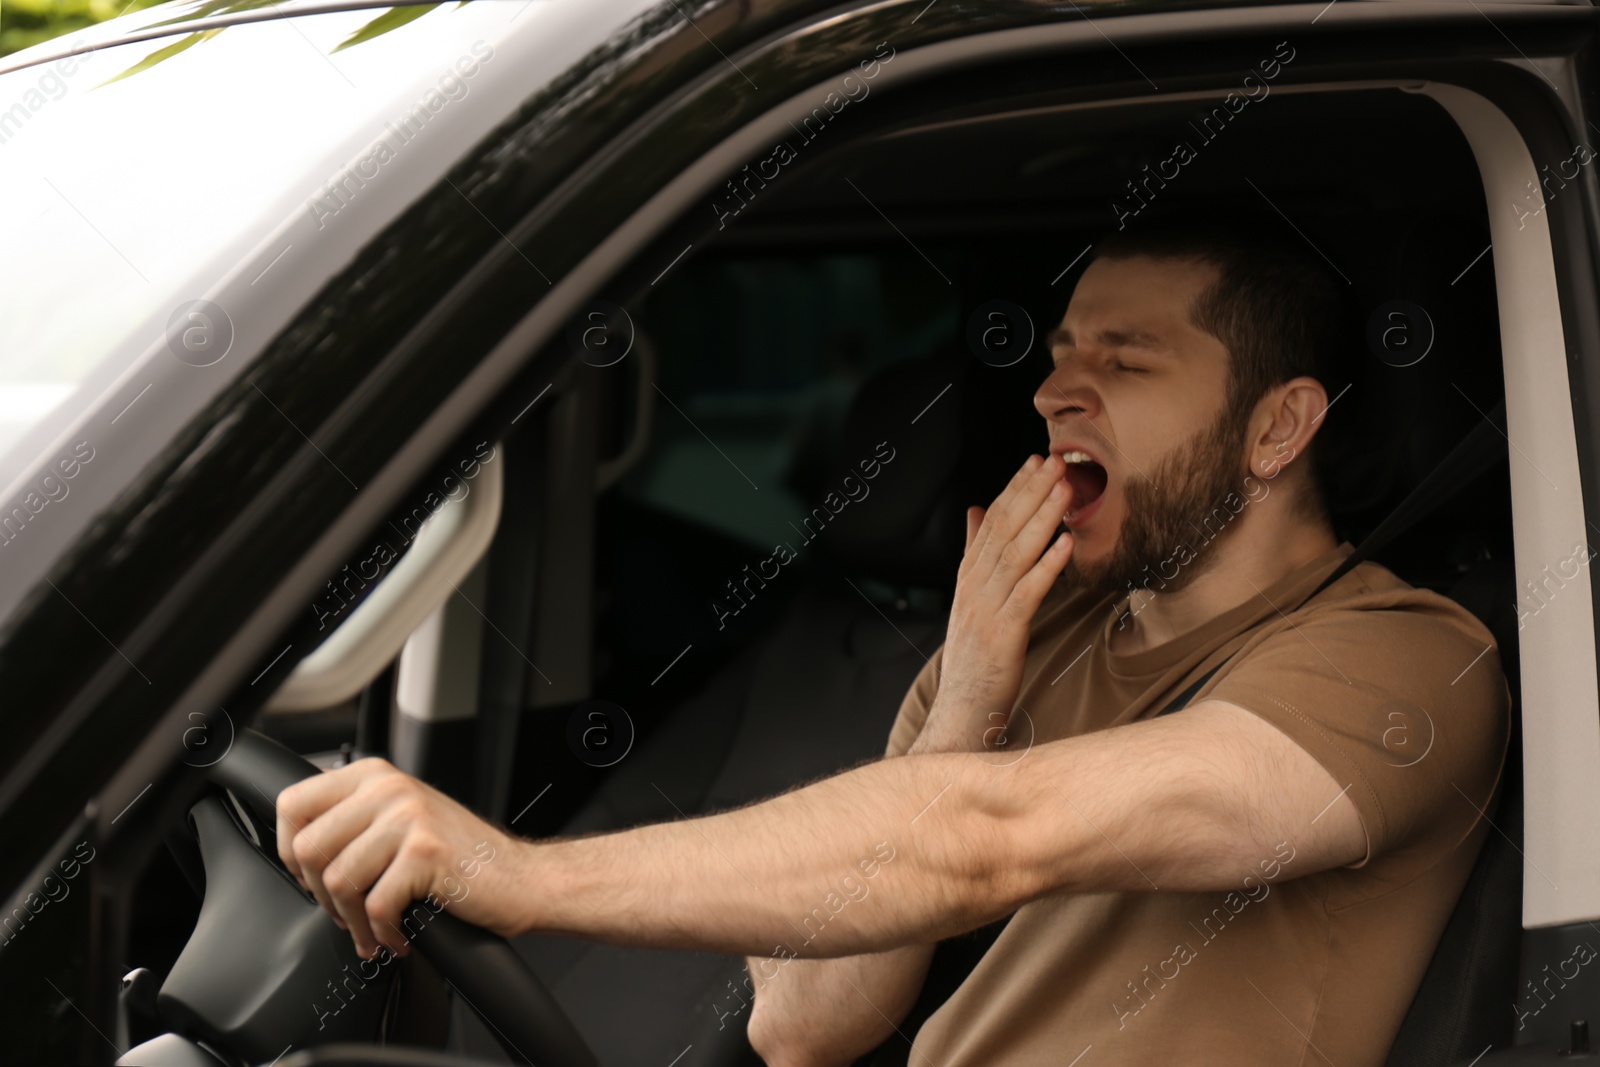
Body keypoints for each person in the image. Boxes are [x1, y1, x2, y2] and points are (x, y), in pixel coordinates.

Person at [275, 220, 1511, 1067]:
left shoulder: (1401, 660)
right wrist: (966, 694)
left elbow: (989, 834)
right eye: (1059, 353)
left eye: (1125, 360)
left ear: (1277, 426)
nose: (1052, 393)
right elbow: (803, 1023)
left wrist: (524, 879)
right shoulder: (1027, 626)